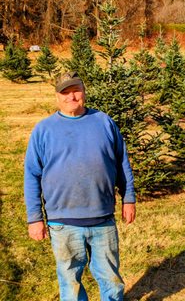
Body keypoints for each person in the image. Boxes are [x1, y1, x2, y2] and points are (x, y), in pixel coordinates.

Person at [24, 71, 136, 301]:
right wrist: (35, 218)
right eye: (65, 92)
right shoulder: (44, 130)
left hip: (102, 218)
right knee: (70, 281)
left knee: (111, 279)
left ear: (84, 92)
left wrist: (128, 198)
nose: (71, 97)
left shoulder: (104, 122)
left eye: (75, 90)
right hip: (62, 221)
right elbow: (32, 175)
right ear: (57, 96)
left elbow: (122, 162)